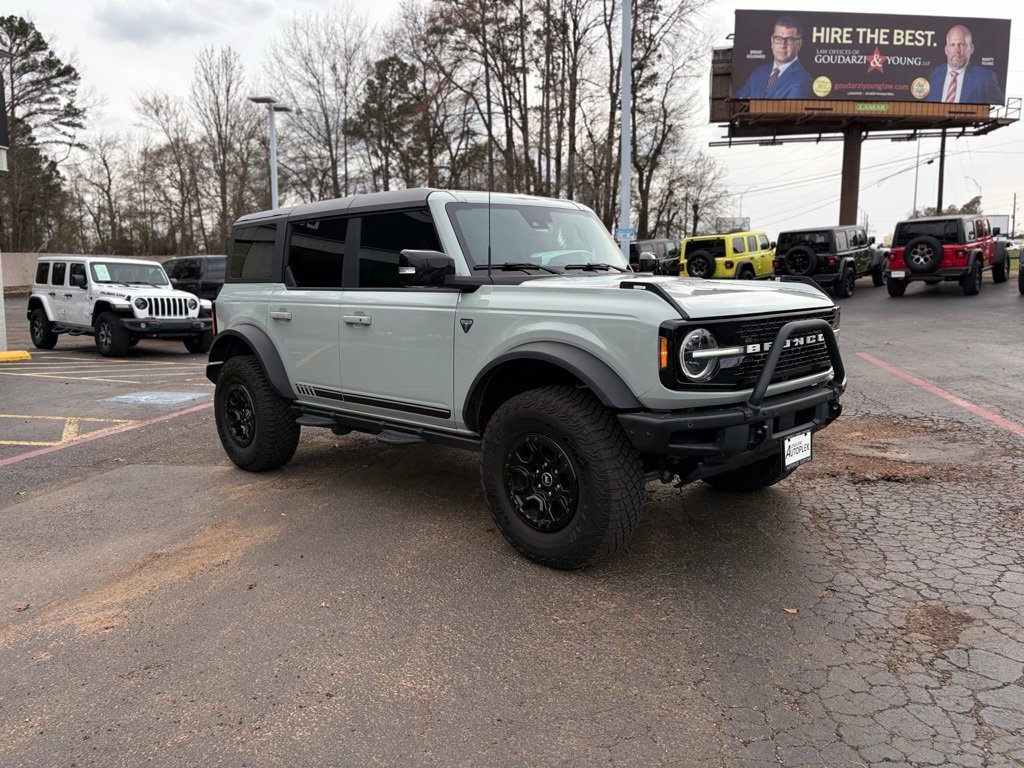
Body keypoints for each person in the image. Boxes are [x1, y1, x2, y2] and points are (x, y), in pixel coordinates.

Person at [734, 15, 812, 100]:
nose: (782, 45)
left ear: (799, 44)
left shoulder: (803, 80)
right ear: (772, 42)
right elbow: (738, 99)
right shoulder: (758, 73)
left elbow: (788, 112)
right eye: (778, 39)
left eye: (789, 40)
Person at [927, 24, 1004, 104]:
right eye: (952, 45)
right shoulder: (932, 75)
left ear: (971, 49)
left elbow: (999, 109)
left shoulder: (985, 78)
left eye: (962, 45)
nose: (957, 50)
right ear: (946, 50)